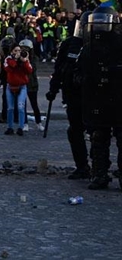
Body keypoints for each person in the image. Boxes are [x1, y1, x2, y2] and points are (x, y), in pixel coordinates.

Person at [74, 7, 122, 190]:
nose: (101, 26)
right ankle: (100, 175)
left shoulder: (119, 44)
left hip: (118, 99)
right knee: (98, 138)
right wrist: (84, 80)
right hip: (97, 100)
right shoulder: (89, 47)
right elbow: (78, 72)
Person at [47, 11, 92, 180]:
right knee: (75, 132)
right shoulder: (70, 44)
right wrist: (53, 88)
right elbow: (59, 69)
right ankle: (82, 167)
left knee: (99, 134)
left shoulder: (108, 44)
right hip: (73, 96)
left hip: (98, 97)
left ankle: (100, 169)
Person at [3, 43, 32, 136]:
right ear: (11, 51)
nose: (18, 53)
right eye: (15, 51)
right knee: (10, 108)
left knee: (20, 107)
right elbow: (9, 68)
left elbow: (29, 70)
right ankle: (10, 127)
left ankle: (21, 127)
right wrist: (15, 59)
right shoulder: (8, 59)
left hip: (22, 86)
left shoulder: (24, 60)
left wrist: (25, 61)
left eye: (19, 51)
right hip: (10, 86)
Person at [17, 39, 43, 132]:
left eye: (26, 49)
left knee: (34, 104)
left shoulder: (34, 58)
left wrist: (26, 60)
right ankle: (25, 123)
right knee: (22, 105)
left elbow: (32, 69)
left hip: (32, 84)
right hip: (22, 83)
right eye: (22, 49)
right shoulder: (18, 58)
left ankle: (38, 122)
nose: (24, 51)